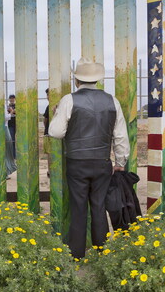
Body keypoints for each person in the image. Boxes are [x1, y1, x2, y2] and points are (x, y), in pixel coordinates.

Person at [49, 57, 130, 259]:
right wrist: (120, 162)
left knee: (78, 208)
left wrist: (56, 113)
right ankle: (100, 252)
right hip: (102, 163)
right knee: (99, 207)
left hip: (77, 163)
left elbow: (56, 132)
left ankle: (76, 254)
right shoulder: (112, 101)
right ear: (97, 80)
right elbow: (120, 136)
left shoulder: (69, 100)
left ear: (77, 80)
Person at [4, 108, 17, 176]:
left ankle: (7, 170)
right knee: (8, 149)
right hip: (4, 128)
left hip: (4, 127)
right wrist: (11, 112)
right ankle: (7, 170)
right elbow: (5, 117)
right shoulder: (2, 104)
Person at [43, 88, 51, 177]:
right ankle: (50, 170)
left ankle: (50, 170)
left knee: (50, 153)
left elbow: (45, 120)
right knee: (49, 153)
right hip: (48, 133)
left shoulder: (50, 106)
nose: (48, 97)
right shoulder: (48, 107)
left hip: (49, 132)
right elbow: (45, 120)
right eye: (47, 95)